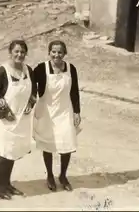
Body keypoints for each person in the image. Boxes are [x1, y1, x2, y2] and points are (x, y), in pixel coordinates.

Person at [0, 40, 38, 200]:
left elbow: (34, 90)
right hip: (5, 120)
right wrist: (2, 110)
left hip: (22, 118)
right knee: (6, 151)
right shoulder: (2, 72)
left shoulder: (28, 70)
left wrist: (31, 102)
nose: (19, 55)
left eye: (22, 52)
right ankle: (0, 185)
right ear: (10, 52)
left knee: (14, 151)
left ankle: (6, 183)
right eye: (16, 51)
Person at [33, 40, 81, 192]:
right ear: (49, 52)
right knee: (48, 144)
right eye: (53, 51)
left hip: (65, 110)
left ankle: (63, 176)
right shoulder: (41, 68)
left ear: (64, 53)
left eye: (60, 52)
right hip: (47, 111)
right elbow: (31, 87)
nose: (56, 55)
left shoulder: (71, 68)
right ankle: (50, 175)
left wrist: (77, 112)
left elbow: (74, 91)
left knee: (66, 144)